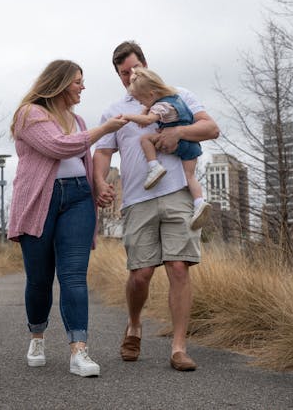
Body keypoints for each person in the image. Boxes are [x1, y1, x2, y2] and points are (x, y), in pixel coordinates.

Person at [93, 41, 219, 371]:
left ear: (145, 65)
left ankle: (178, 348)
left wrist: (178, 132)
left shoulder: (178, 94)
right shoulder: (114, 110)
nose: (129, 76)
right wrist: (100, 181)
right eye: (123, 73)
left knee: (179, 267)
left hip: (178, 192)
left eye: (134, 69)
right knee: (141, 274)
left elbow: (211, 128)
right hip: (137, 199)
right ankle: (134, 323)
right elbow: (103, 152)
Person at [7, 59, 127, 378]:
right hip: (39, 201)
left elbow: (83, 161)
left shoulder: (79, 119)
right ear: (59, 83)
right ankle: (37, 336)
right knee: (40, 280)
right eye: (77, 81)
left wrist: (98, 186)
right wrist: (104, 129)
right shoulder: (30, 114)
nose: (82, 87)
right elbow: (58, 146)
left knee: (74, 275)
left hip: (77, 198)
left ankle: (79, 351)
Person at [121, 67, 212, 230]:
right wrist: (146, 107)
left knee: (145, 139)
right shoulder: (174, 98)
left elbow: (149, 120)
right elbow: (151, 107)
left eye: (141, 101)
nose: (141, 104)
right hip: (191, 145)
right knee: (190, 176)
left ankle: (154, 167)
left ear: (150, 95)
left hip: (176, 143)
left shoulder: (160, 106)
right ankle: (199, 203)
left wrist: (128, 116)